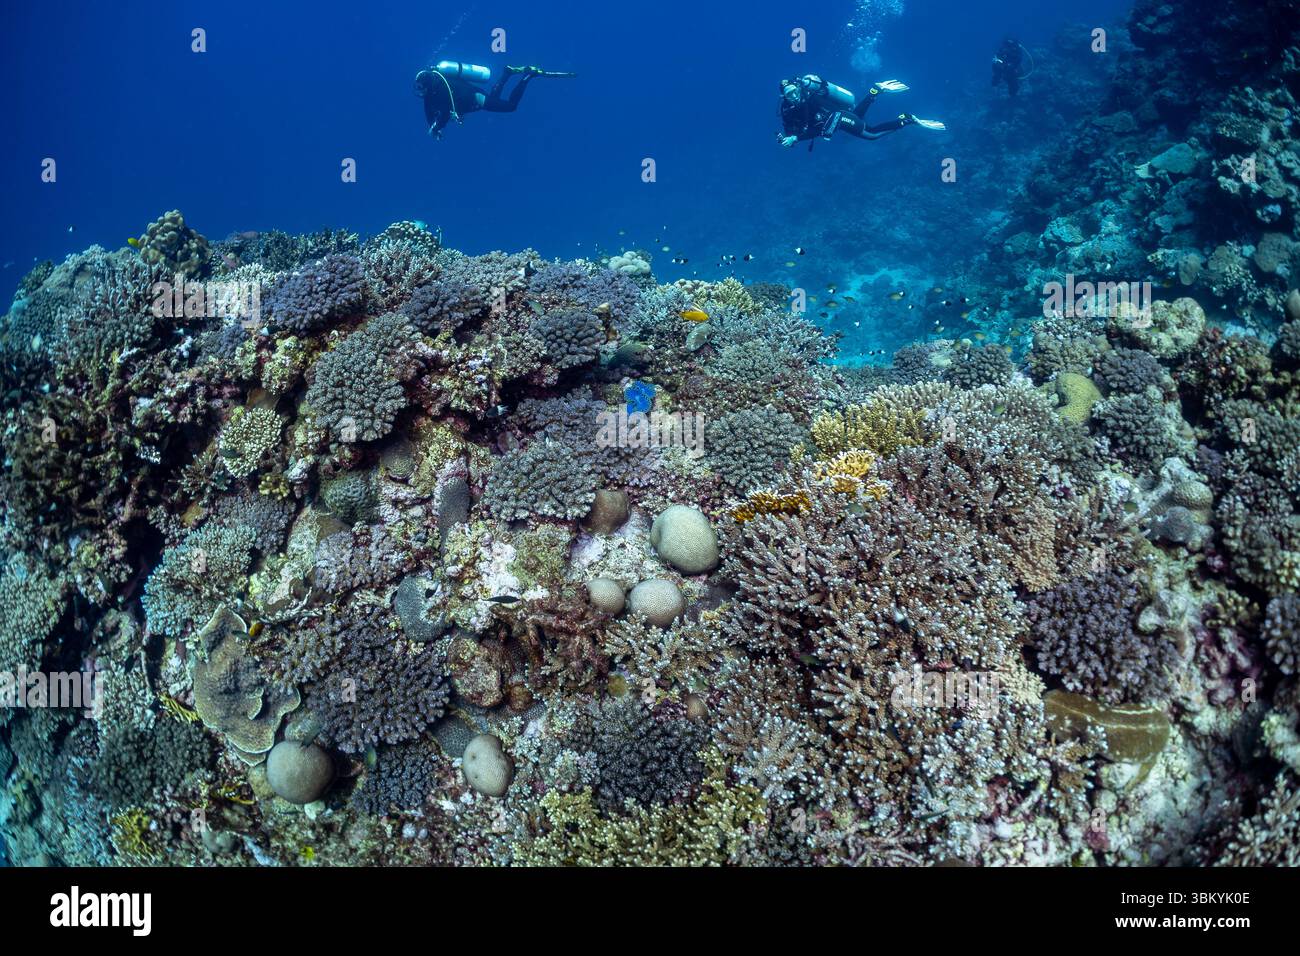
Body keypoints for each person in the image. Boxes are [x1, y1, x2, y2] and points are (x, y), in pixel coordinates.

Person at [414, 61, 575, 138]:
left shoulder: (440, 92)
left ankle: (528, 76)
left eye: (421, 87)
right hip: (474, 97)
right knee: (493, 99)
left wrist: (436, 129)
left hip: (475, 98)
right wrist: (432, 126)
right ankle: (507, 73)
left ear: (428, 84)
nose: (421, 91)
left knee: (511, 106)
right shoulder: (432, 91)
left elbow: (443, 114)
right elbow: (428, 109)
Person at [777, 76, 944, 149]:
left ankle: (907, 119)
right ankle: (876, 90)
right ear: (783, 97)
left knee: (871, 134)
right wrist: (788, 139)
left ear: (798, 88)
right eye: (788, 94)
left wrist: (797, 138)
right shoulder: (787, 111)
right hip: (841, 117)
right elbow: (795, 133)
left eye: (794, 91)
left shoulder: (809, 99)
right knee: (857, 118)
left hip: (838, 117)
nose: (793, 95)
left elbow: (814, 130)